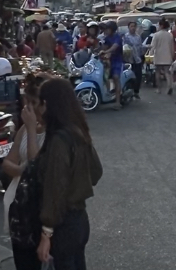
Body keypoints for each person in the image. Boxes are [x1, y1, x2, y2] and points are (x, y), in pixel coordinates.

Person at [35, 79, 103, 269]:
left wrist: (46, 234)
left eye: (39, 104)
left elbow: (55, 188)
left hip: (63, 226)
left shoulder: (59, 141)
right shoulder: (79, 133)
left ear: (46, 105)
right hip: (80, 220)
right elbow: (96, 172)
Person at [4, 74, 47, 240]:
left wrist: (30, 128)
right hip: (19, 207)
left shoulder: (53, 134)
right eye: (26, 102)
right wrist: (20, 169)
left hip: (39, 210)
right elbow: (8, 163)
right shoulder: (24, 130)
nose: (29, 108)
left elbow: (35, 164)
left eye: (33, 103)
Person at [101, 21, 123, 110]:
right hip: (108, 61)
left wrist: (106, 52)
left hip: (117, 61)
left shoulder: (117, 37)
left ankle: (118, 102)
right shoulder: (106, 38)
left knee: (115, 78)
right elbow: (103, 47)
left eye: (108, 29)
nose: (106, 31)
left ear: (112, 29)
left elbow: (114, 47)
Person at [150, 19, 175, 96]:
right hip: (167, 56)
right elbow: (172, 47)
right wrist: (172, 55)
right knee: (167, 72)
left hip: (158, 56)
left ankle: (158, 89)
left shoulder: (156, 35)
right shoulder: (170, 35)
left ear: (160, 25)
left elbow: (152, 46)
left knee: (157, 72)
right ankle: (169, 86)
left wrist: (150, 54)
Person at [123, 21, 144, 100]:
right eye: (131, 26)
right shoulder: (125, 37)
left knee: (138, 77)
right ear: (128, 27)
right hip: (129, 60)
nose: (133, 28)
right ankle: (128, 92)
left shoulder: (138, 36)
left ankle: (136, 92)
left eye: (134, 26)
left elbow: (141, 47)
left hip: (137, 59)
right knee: (129, 77)